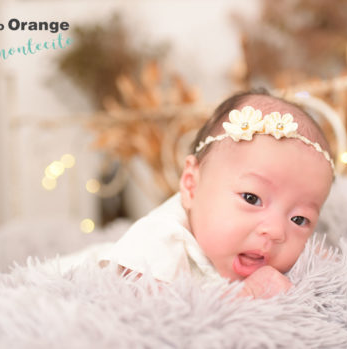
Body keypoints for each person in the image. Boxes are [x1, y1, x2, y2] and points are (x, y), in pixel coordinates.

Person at [99, 89, 334, 299]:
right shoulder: (158, 241)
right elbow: (166, 325)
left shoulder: (290, 260)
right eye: (252, 198)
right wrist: (247, 297)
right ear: (192, 186)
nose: (275, 231)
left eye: (299, 219)